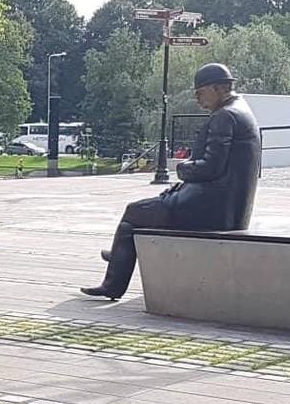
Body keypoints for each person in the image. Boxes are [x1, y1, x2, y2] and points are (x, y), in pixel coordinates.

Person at [81, 63, 259, 300]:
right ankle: (114, 272)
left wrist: (182, 168)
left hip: (211, 209)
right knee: (129, 225)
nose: (197, 99)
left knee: (133, 213)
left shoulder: (225, 116)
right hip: (226, 206)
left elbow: (211, 167)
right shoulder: (241, 110)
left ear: (217, 89)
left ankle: (115, 273)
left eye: (200, 93)